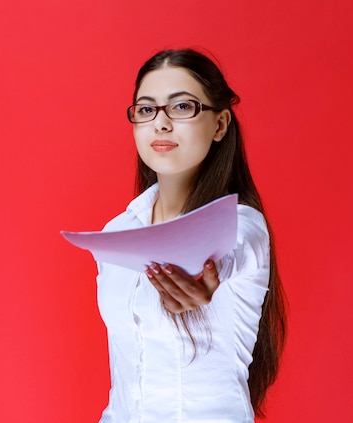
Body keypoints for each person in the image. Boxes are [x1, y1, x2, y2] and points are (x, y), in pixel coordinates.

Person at [95, 49, 287, 423]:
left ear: (220, 125)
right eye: (147, 109)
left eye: (181, 107)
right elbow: (125, 380)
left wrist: (206, 276)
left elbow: (232, 247)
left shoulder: (241, 222)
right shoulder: (115, 234)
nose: (161, 124)